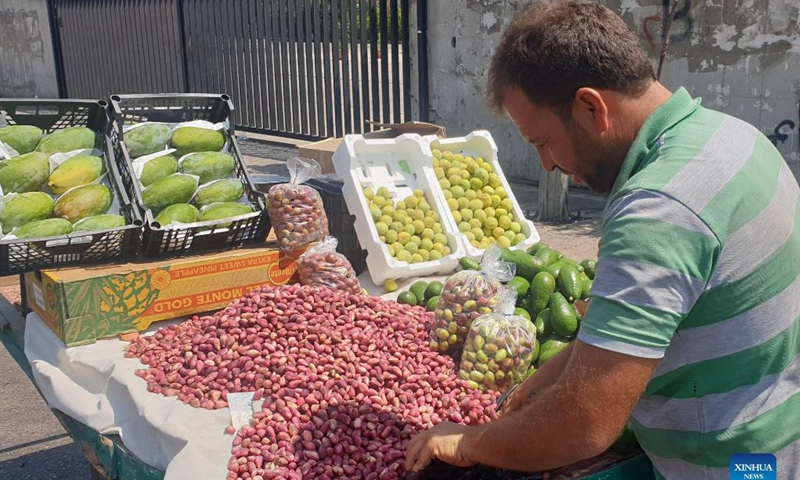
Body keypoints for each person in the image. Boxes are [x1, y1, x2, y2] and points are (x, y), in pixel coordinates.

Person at [404, 1, 800, 478]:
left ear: (591, 107)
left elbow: (583, 426)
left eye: (543, 142)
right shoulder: (734, 136)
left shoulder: (658, 209)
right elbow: (678, 317)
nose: (547, 165)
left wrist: (471, 441)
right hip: (774, 441)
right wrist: (554, 373)